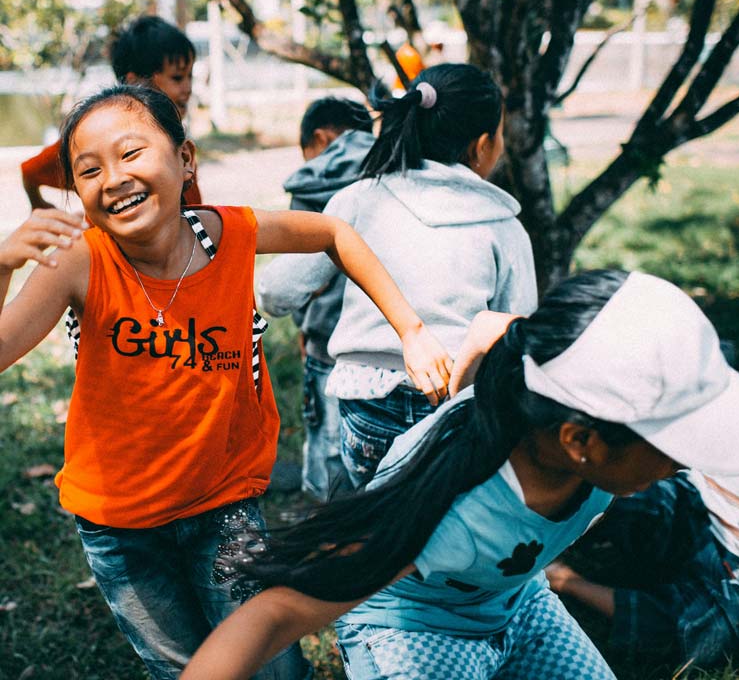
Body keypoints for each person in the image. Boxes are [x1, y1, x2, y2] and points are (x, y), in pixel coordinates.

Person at [0, 84, 451, 680]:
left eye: (131, 154)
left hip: (222, 505)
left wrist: (412, 329)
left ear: (185, 160)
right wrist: (4, 265)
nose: (113, 178)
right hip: (120, 527)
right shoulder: (81, 261)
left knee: (271, 665)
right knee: (187, 669)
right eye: (89, 169)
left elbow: (336, 235)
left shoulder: (231, 234)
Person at [181, 269, 739, 680]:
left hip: (516, 601)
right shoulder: (448, 507)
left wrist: (464, 379)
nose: (684, 461)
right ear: (580, 442)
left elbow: (492, 329)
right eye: (672, 443)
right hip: (414, 628)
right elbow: (278, 611)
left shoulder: (541, 377)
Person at [259, 63, 537, 489]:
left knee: (371, 522)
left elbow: (276, 290)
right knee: (429, 528)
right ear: (483, 145)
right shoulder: (503, 226)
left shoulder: (358, 200)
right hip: (453, 407)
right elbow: (515, 332)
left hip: (365, 405)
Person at [545, 281, 739, 672]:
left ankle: (565, 581)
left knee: (715, 632)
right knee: (620, 482)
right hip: (686, 499)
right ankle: (545, 537)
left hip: (736, 554)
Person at [259, 96, 375, 500]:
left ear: (321, 138)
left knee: (327, 452)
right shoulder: (392, 170)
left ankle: (321, 526)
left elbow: (294, 279)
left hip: (327, 341)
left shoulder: (315, 182)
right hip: (387, 347)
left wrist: (302, 327)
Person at [20, 15, 200, 210]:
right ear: (136, 83)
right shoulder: (96, 136)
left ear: (185, 156)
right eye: (177, 77)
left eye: (190, 76)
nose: (188, 87)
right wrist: (39, 204)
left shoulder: (174, 138)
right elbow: (30, 170)